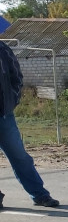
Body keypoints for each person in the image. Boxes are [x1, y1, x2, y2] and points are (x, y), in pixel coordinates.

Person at [0, 40, 59, 211]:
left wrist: (12, 100)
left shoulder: (3, 49)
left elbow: (16, 76)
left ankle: (40, 195)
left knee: (20, 157)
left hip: (4, 115)